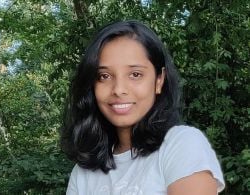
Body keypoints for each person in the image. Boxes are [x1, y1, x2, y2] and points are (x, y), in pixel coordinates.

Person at [61, 20, 225, 195]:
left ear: (159, 80)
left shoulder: (181, 144)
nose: (118, 89)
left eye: (135, 74)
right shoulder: (83, 172)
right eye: (104, 76)